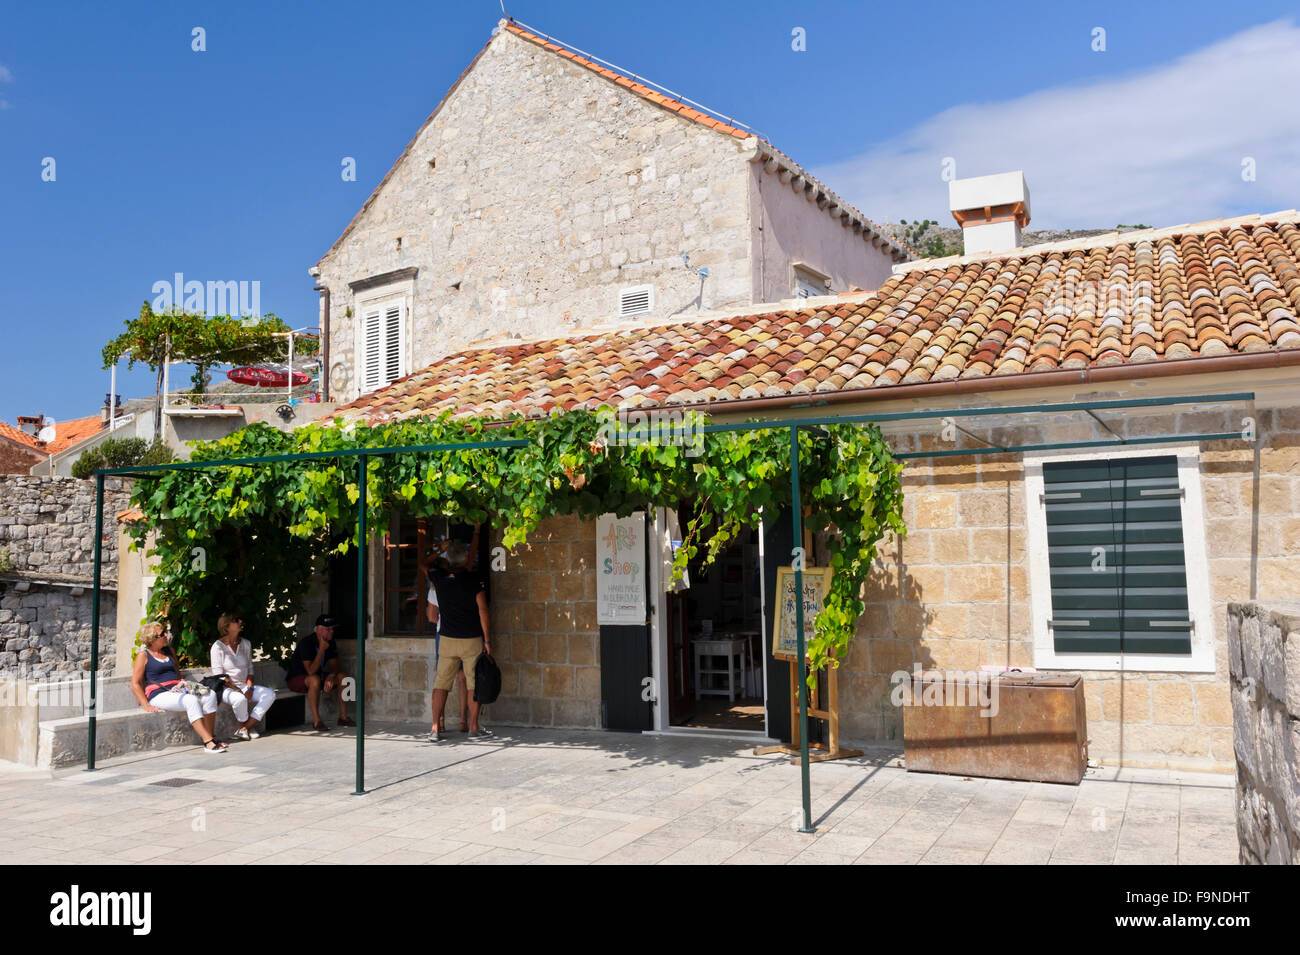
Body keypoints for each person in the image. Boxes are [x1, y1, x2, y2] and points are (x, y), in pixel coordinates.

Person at [427, 535, 491, 743]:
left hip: (447, 638)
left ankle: (435, 727)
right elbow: (483, 611)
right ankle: (473, 727)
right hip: (471, 638)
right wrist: (488, 641)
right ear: (465, 560)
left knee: (441, 684)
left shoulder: (439, 578)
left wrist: (439, 550)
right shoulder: (474, 581)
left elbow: (423, 564)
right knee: (473, 684)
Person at [130, 621, 227, 752]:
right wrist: (145, 704)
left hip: (178, 688)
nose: (166, 635)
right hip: (159, 694)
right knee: (190, 701)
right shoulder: (143, 656)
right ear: (152, 639)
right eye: (161, 634)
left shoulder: (169, 651)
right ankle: (208, 742)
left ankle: (210, 735)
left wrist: (184, 685)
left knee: (211, 695)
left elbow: (177, 672)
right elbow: (135, 682)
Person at [210, 612, 276, 740]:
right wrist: (239, 690)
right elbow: (219, 676)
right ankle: (248, 727)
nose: (240, 621)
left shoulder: (246, 643)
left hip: (245, 685)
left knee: (269, 694)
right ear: (226, 626)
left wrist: (249, 688)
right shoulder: (217, 647)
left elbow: (250, 670)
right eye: (236, 620)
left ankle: (245, 728)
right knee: (240, 699)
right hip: (226, 688)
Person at [286, 614, 354, 731]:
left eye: (332, 628)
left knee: (344, 678)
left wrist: (332, 676)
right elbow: (310, 671)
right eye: (328, 629)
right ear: (318, 630)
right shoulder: (306, 643)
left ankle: (343, 717)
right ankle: (317, 721)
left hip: (317, 676)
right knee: (315, 679)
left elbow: (335, 665)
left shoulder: (330, 642)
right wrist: (322, 649)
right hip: (298, 678)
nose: (331, 631)